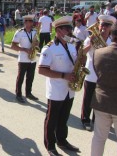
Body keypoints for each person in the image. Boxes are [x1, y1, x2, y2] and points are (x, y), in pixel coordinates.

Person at [38, 16, 80, 156]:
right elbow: (41, 70)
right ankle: (50, 146)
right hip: (56, 89)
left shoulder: (71, 42)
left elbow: (80, 49)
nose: (70, 31)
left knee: (64, 117)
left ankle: (62, 140)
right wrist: (63, 76)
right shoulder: (49, 48)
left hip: (70, 89)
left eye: (70, 28)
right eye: (67, 28)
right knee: (52, 119)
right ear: (58, 30)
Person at [81, 15, 116, 131]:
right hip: (91, 74)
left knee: (100, 100)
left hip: (103, 76)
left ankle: (96, 120)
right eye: (102, 25)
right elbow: (82, 52)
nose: (103, 28)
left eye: (107, 25)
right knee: (88, 99)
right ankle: (85, 119)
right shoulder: (92, 37)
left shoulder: (112, 41)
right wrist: (90, 44)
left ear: (111, 28)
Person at [91, 21, 117, 156]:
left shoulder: (98, 52)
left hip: (101, 101)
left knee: (99, 138)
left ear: (112, 35)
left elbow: (98, 73)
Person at [11, 15, 39, 103]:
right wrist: (24, 50)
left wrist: (36, 45)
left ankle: (28, 93)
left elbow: (36, 42)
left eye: (31, 22)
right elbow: (13, 46)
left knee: (30, 77)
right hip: (23, 58)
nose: (29, 23)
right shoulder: (19, 32)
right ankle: (18, 94)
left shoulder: (35, 32)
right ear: (24, 22)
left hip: (32, 58)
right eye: (27, 22)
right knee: (21, 78)